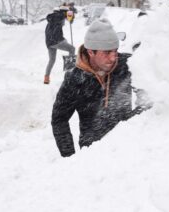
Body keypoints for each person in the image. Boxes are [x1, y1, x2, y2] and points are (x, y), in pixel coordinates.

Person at [52, 18, 141, 157]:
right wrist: (69, 157)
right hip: (93, 156)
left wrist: (139, 114)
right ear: (90, 52)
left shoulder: (127, 65)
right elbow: (59, 120)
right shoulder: (75, 79)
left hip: (128, 149)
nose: (113, 58)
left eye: (115, 51)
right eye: (106, 53)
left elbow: (150, 91)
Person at [44, 5, 75, 84]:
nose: (64, 22)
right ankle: (70, 72)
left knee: (52, 60)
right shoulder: (59, 16)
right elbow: (67, 16)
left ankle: (46, 78)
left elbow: (67, 19)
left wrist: (70, 16)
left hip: (49, 42)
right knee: (72, 49)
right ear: (63, 12)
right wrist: (70, 12)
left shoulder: (53, 18)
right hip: (56, 41)